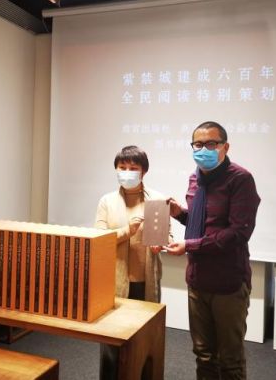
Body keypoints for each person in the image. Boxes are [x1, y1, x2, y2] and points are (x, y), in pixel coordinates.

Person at [166, 121, 260, 380]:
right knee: (203, 354)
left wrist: (190, 245)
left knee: (230, 360)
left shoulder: (240, 179)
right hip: (197, 280)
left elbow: (238, 233)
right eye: (198, 144)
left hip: (228, 283)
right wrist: (180, 214)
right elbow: (203, 224)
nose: (203, 149)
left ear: (225, 147)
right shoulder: (194, 178)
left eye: (211, 144)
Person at [95, 145, 171, 380]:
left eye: (133, 168)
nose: (127, 172)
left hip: (145, 281)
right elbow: (98, 239)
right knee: (112, 340)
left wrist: (162, 244)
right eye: (122, 167)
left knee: (145, 338)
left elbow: (167, 236)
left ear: (143, 171)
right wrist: (128, 230)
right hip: (115, 283)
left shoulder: (158, 200)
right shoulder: (107, 201)